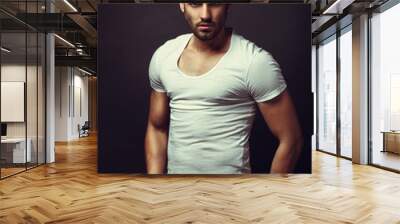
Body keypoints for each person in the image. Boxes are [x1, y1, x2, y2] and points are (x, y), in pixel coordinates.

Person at [144, 3, 303, 174]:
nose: (205, 14)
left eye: (214, 3)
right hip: (178, 192)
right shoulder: (164, 55)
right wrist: (157, 185)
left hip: (232, 193)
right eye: (196, 3)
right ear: (182, 5)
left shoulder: (254, 62)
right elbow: (156, 128)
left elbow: (291, 140)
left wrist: (272, 192)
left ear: (228, 5)